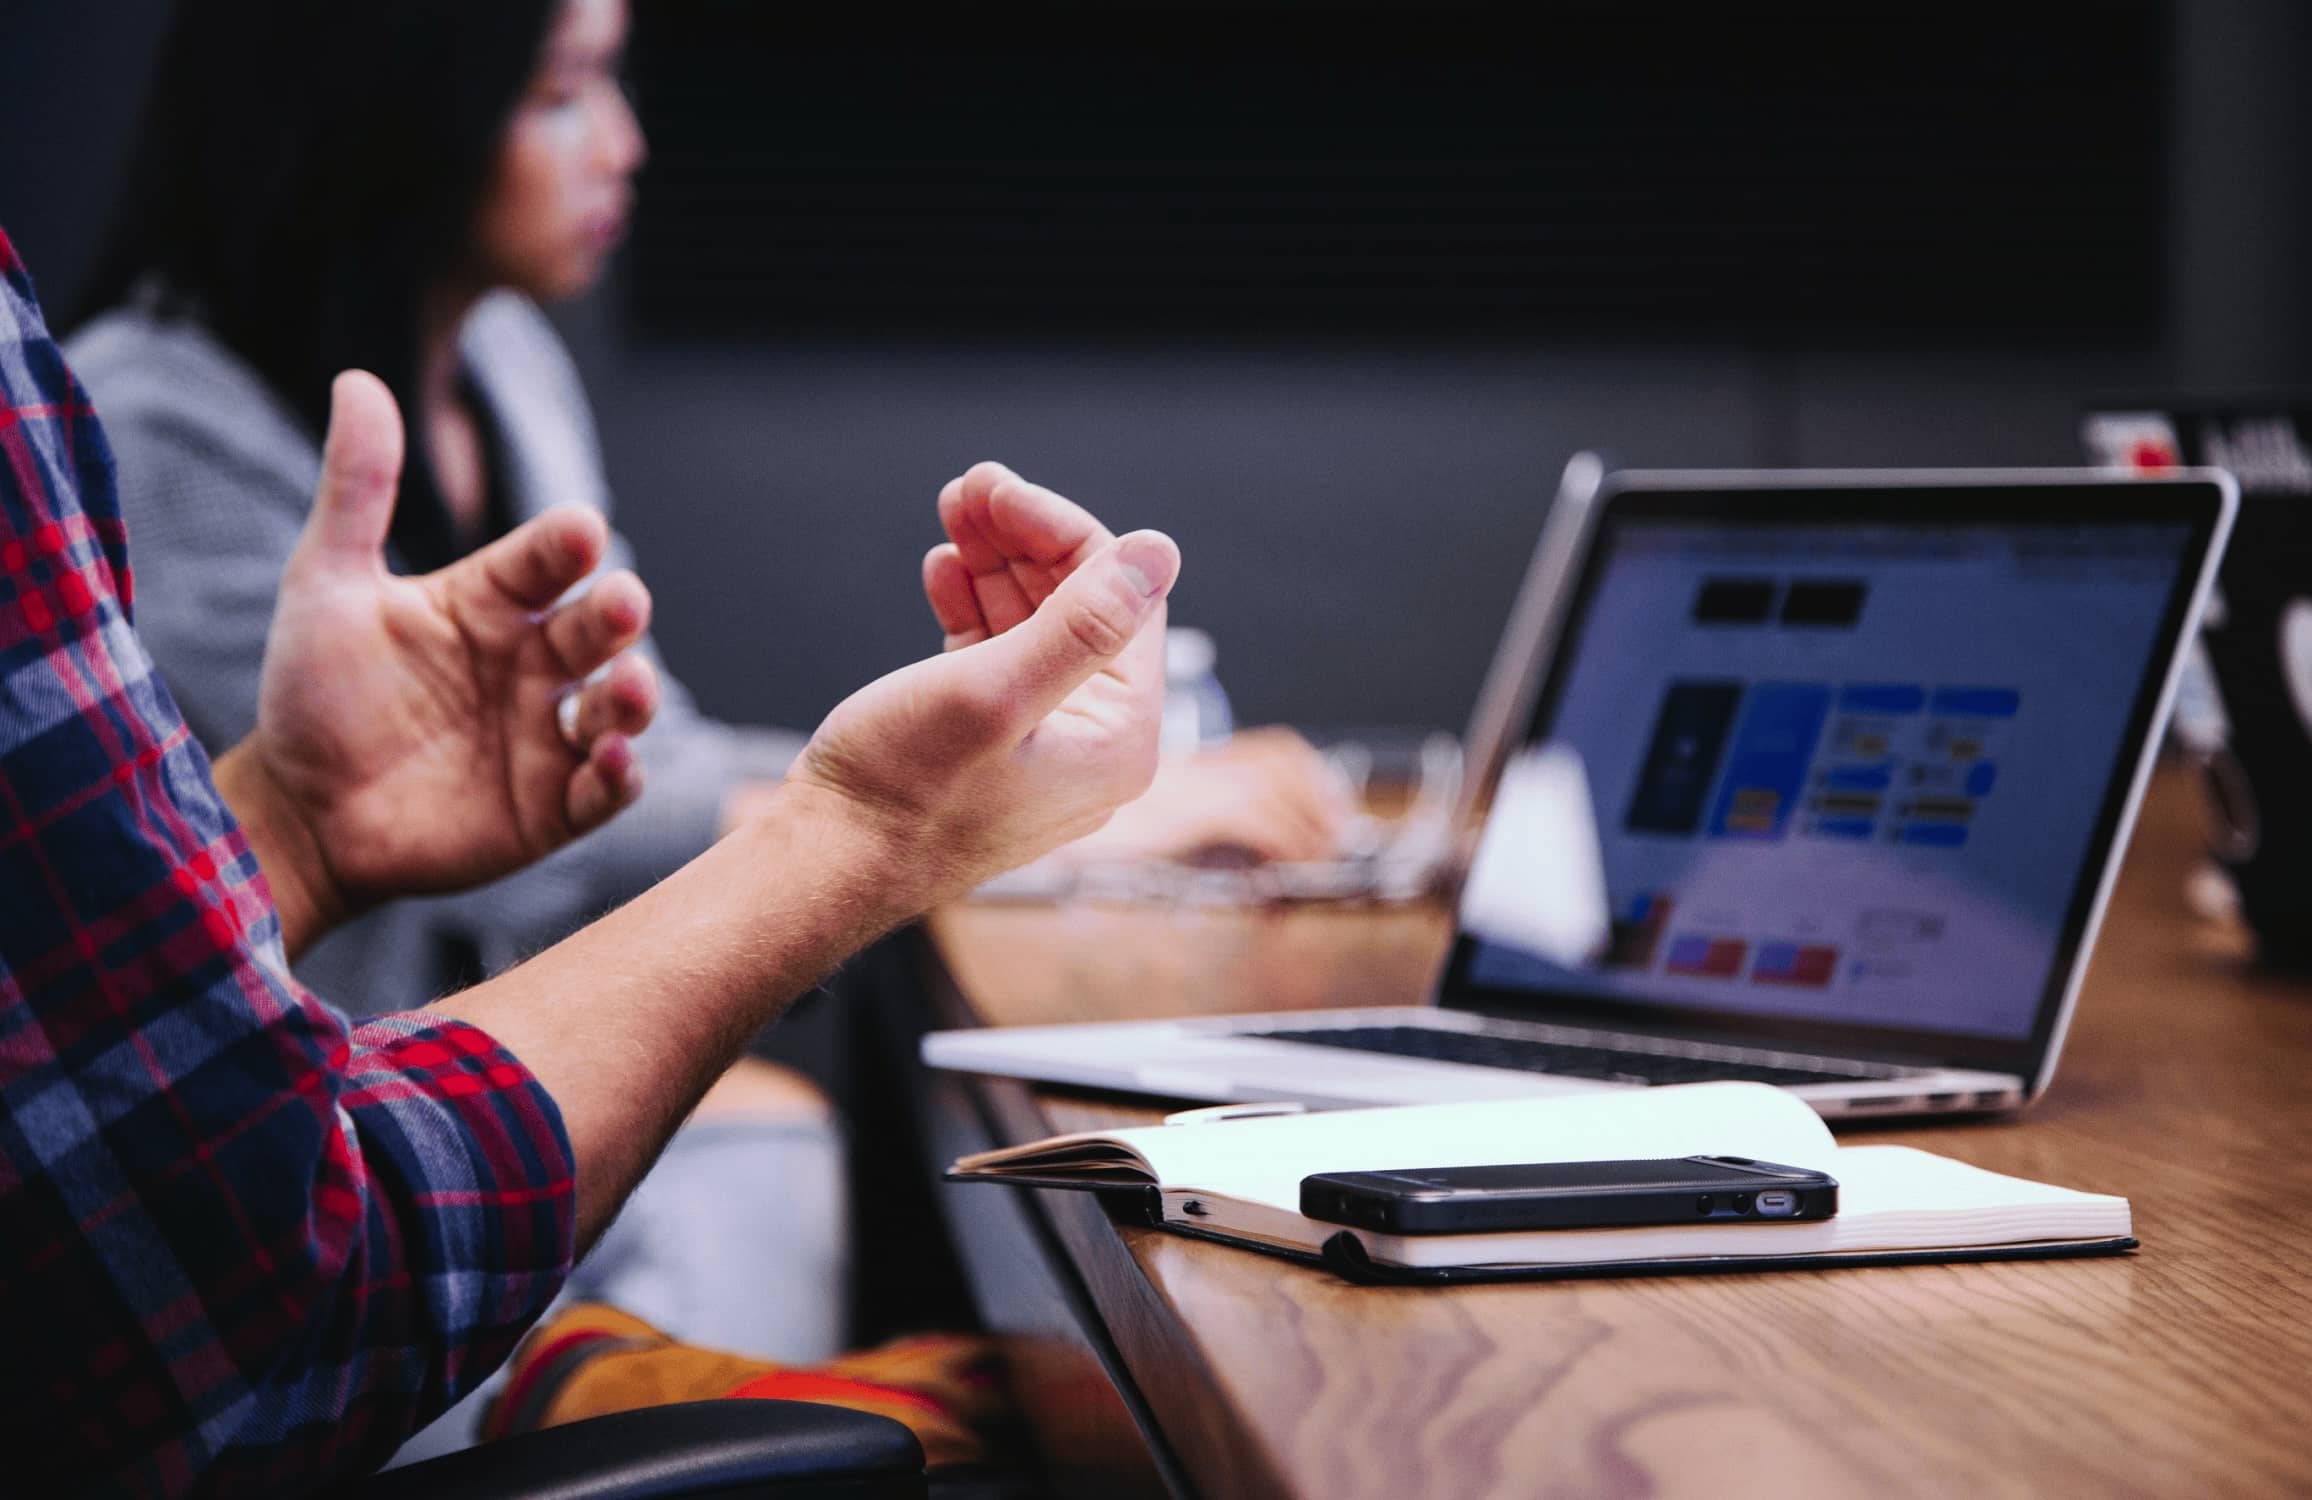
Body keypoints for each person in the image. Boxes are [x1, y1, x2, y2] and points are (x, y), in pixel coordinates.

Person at [0, 220, 1181, 1493]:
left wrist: (288, 829)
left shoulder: (508, 360)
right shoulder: (149, 410)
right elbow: (256, 1286)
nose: (621, 141)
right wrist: (866, 834)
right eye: (563, 87)